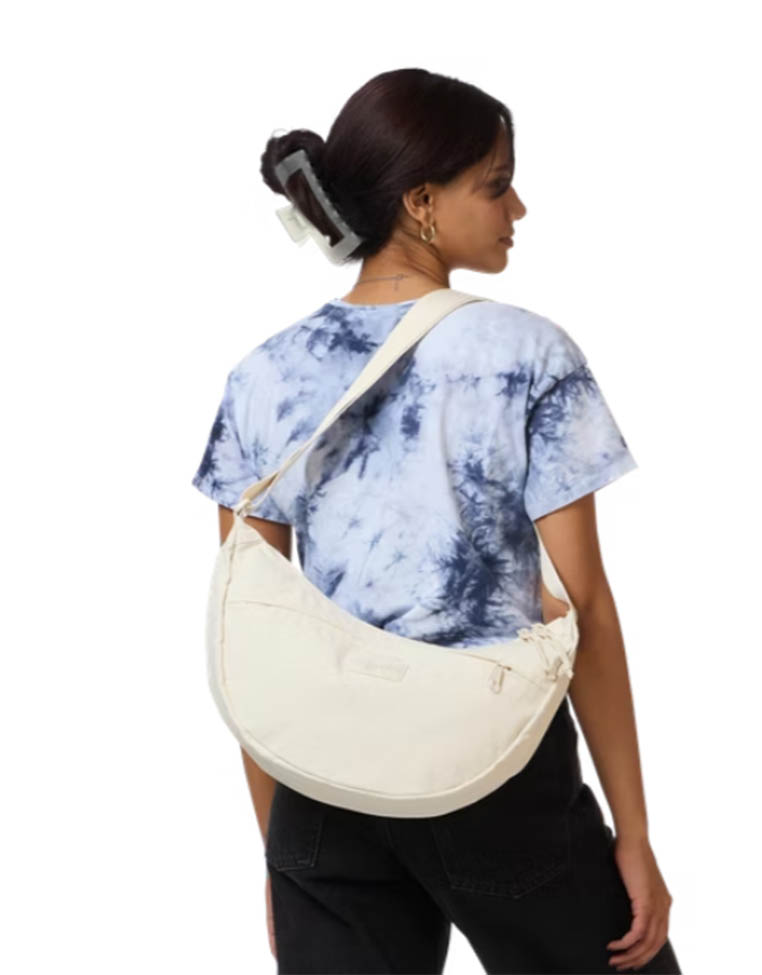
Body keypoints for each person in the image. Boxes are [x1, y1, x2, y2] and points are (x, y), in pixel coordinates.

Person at [191, 67, 682, 974]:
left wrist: (282, 852)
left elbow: (248, 633)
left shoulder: (264, 376)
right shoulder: (527, 353)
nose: (518, 208)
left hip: (321, 787)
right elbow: (586, 607)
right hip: (495, 771)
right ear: (421, 203)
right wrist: (635, 832)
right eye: (496, 185)